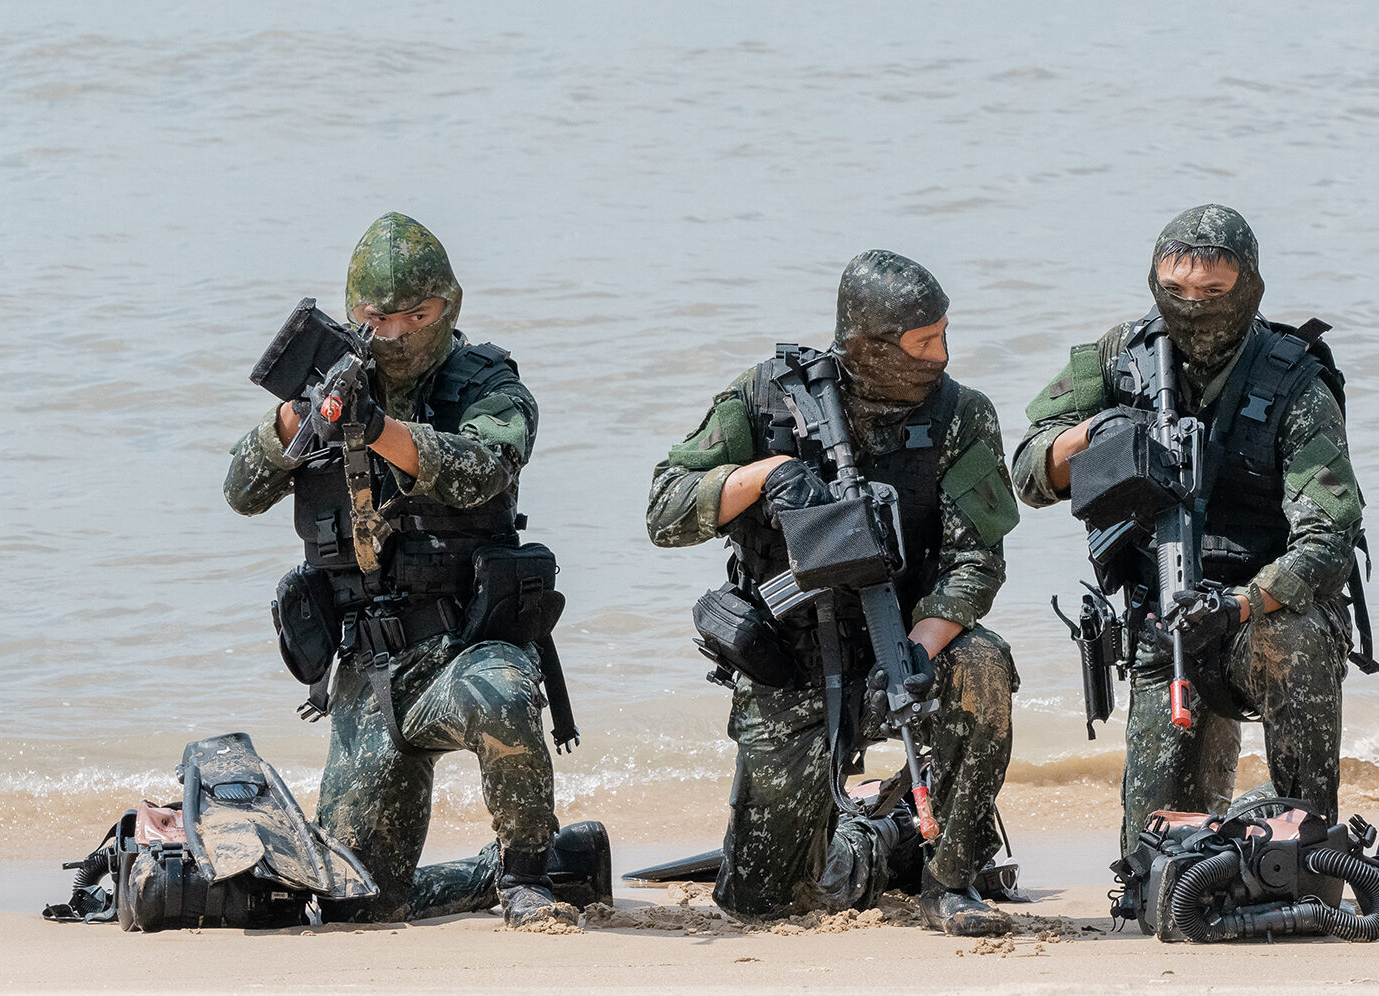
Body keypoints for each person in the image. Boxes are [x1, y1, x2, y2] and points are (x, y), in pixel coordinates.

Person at [646, 250, 1021, 936]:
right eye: (922, 343)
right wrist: (765, 476)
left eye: (943, 335)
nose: (940, 356)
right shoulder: (763, 399)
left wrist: (913, 651)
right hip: (790, 665)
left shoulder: (961, 414)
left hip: (904, 650)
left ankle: (952, 877)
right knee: (764, 903)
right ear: (867, 345)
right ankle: (889, 835)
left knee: (983, 663)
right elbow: (664, 513)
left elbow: (976, 562)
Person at [223, 212, 568, 926]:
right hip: (368, 672)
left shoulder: (487, 384)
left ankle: (528, 877)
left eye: (419, 314)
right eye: (378, 318)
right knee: (358, 905)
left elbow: (483, 470)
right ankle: (521, 868)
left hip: (465, 649)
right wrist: (292, 423)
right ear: (355, 313)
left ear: (450, 306)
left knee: (506, 695)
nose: (399, 334)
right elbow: (241, 492)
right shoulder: (329, 391)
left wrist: (378, 429)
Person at [1009, 205, 1375, 872]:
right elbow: (1028, 473)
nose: (1192, 307)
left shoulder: (1296, 383)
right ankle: (1247, 825)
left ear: (1249, 288)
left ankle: (1306, 844)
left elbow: (1328, 542)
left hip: (1264, 615)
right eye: (1174, 290)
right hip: (1163, 622)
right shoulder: (1121, 357)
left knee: (1292, 641)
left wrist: (1238, 605)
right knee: (1153, 868)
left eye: (1213, 291)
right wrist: (1097, 435)